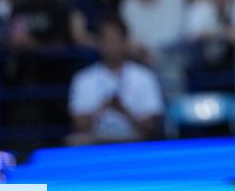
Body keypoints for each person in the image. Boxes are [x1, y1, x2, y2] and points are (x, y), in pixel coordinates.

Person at [67, 16, 163, 145]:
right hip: (95, 140)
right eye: (106, 41)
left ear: (125, 42)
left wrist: (123, 111)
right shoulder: (83, 79)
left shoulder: (144, 76)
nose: (111, 47)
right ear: (98, 43)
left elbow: (150, 126)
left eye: (115, 41)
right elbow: (78, 124)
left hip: (134, 139)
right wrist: (102, 108)